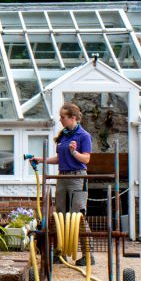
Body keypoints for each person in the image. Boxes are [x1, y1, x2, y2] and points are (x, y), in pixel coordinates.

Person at [33, 102, 94, 264]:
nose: (60, 119)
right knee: (60, 216)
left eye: (63, 117)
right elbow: (60, 159)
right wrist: (41, 160)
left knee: (77, 217)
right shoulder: (64, 135)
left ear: (73, 118)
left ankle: (88, 255)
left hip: (77, 178)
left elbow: (86, 159)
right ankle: (60, 253)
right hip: (62, 177)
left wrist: (74, 152)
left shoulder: (83, 136)